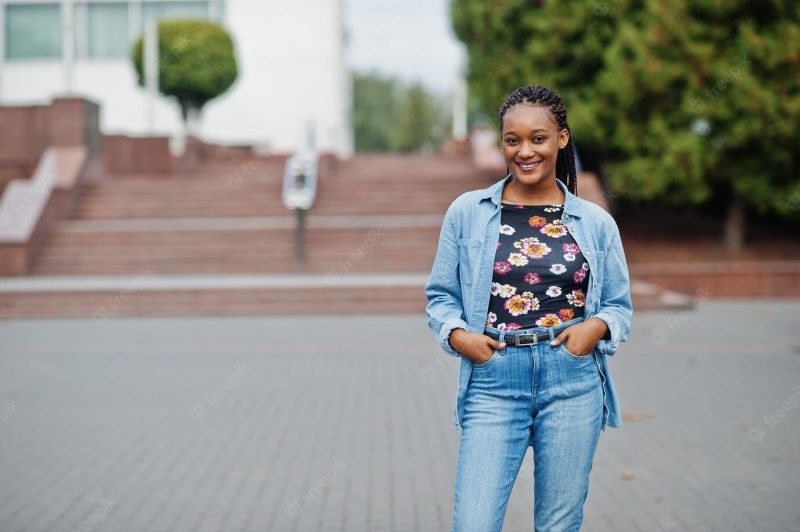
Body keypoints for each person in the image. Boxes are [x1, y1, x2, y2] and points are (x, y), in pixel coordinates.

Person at [425, 84, 633, 531]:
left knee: (559, 524)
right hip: (494, 379)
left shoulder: (595, 223)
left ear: (561, 139)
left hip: (572, 380)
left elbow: (618, 305)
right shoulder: (468, 212)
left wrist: (593, 328)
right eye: (512, 140)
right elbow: (440, 296)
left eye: (538, 138)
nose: (525, 151)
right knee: (474, 522)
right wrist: (460, 337)